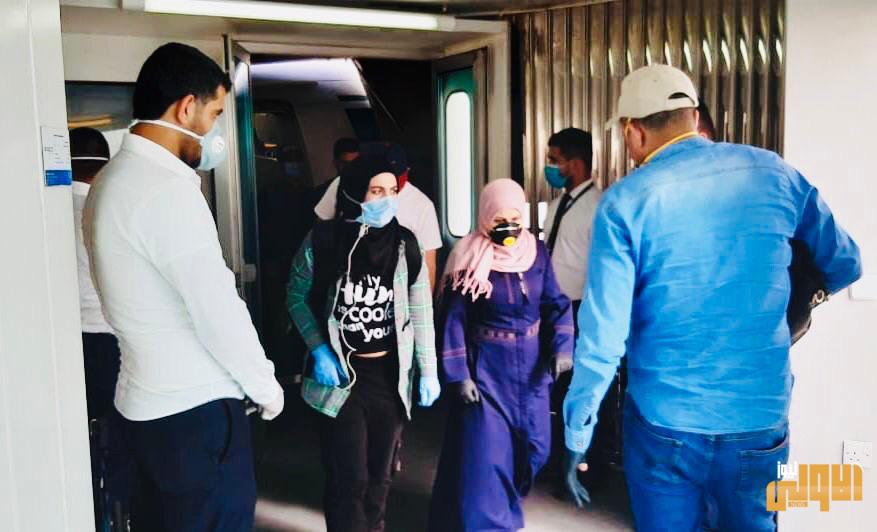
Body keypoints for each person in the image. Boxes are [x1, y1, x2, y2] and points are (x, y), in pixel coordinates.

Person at [562, 64, 862, 531]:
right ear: (695, 116)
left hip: (665, 423)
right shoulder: (773, 172)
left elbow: (604, 339)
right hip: (759, 419)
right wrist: (797, 305)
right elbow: (846, 262)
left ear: (633, 132)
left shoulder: (625, 203)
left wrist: (577, 431)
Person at [83, 42, 284, 531]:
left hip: (142, 407)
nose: (213, 131)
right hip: (195, 416)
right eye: (214, 114)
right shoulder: (166, 192)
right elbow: (217, 311)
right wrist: (266, 388)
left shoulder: (108, 183)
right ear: (186, 107)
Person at [287, 154, 441, 532]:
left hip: (388, 376)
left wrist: (429, 371)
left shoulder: (406, 245)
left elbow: (421, 311)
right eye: (376, 191)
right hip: (343, 377)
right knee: (349, 477)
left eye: (392, 191)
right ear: (355, 193)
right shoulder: (323, 240)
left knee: (379, 477)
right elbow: (295, 295)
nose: (386, 200)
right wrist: (318, 348)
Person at [428, 178, 574, 532]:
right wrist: (459, 374)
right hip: (486, 371)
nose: (508, 225)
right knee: (488, 458)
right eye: (499, 219)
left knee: (535, 448)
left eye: (515, 217)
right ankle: (491, 523)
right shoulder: (468, 258)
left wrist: (562, 347)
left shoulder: (536, 253)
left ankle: (500, 506)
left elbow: (556, 304)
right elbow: (453, 321)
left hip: (532, 371)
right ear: (485, 217)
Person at [71, 127, 130, 529]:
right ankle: (116, 508)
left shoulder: (40, 211)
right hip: (109, 340)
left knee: (79, 434)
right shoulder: (107, 211)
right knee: (118, 433)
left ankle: (87, 509)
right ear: (103, 166)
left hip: (66, 343)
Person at [541, 127, 604, 478]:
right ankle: (554, 458)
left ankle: (583, 462)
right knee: (552, 384)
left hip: (580, 310)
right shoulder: (555, 207)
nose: (550, 168)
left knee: (577, 387)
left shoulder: (598, 208)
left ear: (576, 164)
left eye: (555, 160)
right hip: (551, 309)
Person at [314, 142, 443, 288]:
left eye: (394, 188)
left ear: (407, 171)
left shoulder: (422, 206)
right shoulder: (344, 184)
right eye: (376, 190)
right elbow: (321, 231)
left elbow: (427, 271)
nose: (387, 198)